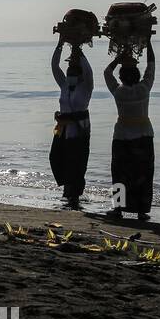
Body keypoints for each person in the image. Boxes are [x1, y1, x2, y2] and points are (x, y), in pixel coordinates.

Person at [104, 41, 155, 221]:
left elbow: (106, 72)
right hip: (144, 136)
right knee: (143, 173)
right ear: (137, 74)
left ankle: (118, 209)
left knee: (119, 173)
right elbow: (151, 66)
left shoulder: (119, 92)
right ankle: (142, 210)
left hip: (122, 137)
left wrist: (119, 57)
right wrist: (148, 44)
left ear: (122, 76)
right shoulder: (144, 89)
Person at [50, 35, 93, 208]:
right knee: (57, 158)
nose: (70, 73)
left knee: (77, 161)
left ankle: (73, 194)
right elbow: (54, 66)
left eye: (74, 71)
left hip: (79, 130)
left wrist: (78, 51)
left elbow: (88, 71)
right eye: (69, 71)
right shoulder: (64, 85)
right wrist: (60, 45)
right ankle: (67, 190)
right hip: (62, 130)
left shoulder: (86, 87)